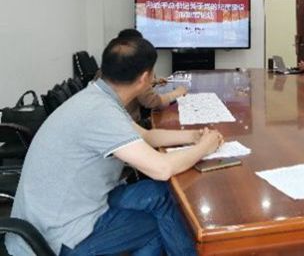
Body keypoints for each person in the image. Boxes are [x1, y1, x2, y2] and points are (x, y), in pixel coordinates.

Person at [7, 37, 224, 255]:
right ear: (145, 78)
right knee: (160, 225)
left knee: (161, 194)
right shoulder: (101, 112)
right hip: (62, 235)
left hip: (70, 207)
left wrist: (193, 136)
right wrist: (203, 148)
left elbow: (146, 136)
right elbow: (161, 169)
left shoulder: (97, 97)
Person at [98, 28, 188, 122]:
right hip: (130, 121)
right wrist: (176, 93)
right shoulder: (136, 70)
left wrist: (153, 81)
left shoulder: (105, 70)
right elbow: (152, 101)